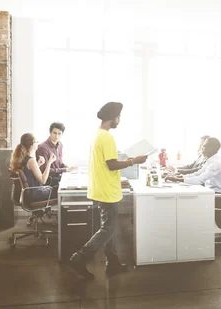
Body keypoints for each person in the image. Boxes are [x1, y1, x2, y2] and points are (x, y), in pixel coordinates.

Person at [69, 102, 148, 280]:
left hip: (100, 188)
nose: (119, 120)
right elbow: (111, 164)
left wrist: (128, 160)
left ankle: (113, 263)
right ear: (113, 117)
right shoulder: (107, 137)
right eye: (119, 117)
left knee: (108, 228)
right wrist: (133, 161)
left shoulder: (97, 135)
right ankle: (79, 257)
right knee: (108, 229)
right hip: (107, 190)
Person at [9, 133, 58, 203]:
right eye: (36, 142)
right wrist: (49, 163)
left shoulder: (23, 158)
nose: (37, 143)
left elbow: (28, 173)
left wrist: (38, 165)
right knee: (59, 190)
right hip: (35, 195)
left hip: (30, 194)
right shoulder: (31, 160)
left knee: (55, 186)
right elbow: (43, 180)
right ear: (31, 144)